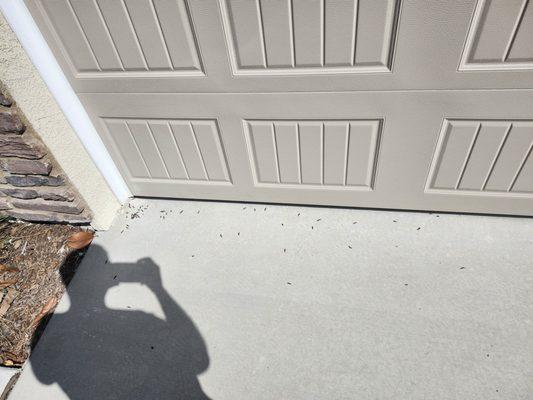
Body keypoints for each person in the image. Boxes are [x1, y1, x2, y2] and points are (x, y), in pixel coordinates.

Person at [30, 244, 211, 400]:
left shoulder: (61, 331)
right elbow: (199, 359)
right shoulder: (141, 320)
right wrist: (158, 289)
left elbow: (44, 376)